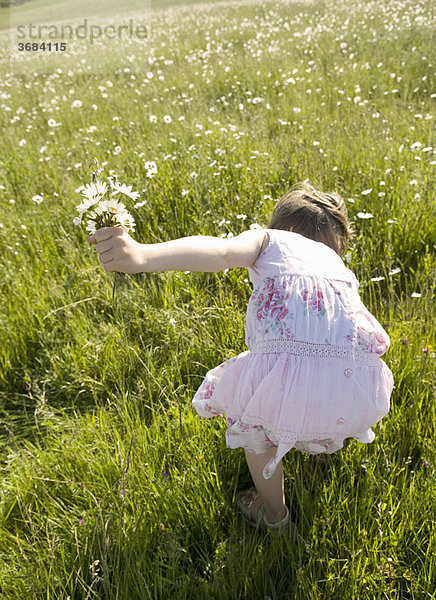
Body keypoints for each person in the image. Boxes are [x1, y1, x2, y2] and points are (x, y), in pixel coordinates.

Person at [87, 182, 394, 532]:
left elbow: (220, 253)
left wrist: (140, 256)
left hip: (290, 382)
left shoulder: (269, 240)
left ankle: (274, 515)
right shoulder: (339, 267)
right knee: (303, 378)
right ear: (335, 242)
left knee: (257, 429)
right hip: (356, 389)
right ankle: (313, 433)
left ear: (284, 226)